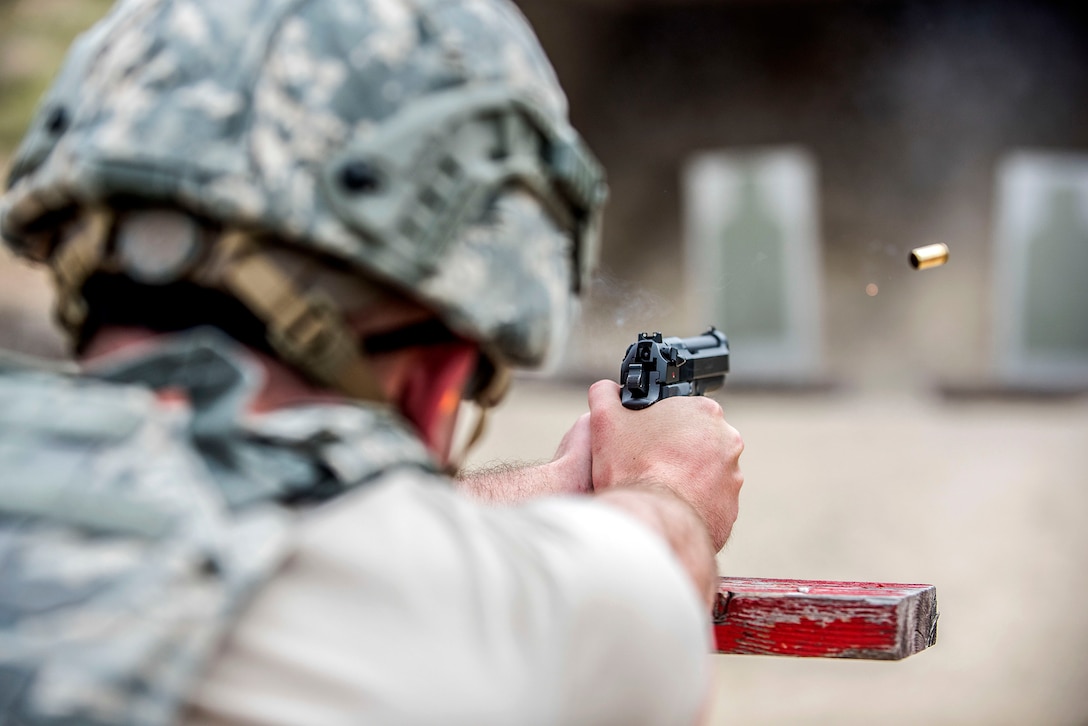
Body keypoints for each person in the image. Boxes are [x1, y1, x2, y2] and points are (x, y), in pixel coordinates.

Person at [0, 0, 745, 724]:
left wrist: (552, 487)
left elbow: (249, 495)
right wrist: (667, 486)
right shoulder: (428, 630)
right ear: (438, 378)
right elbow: (648, 591)